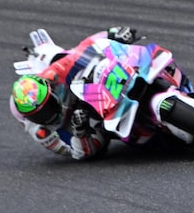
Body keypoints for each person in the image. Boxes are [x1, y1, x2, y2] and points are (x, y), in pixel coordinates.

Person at [9, 27, 141, 160]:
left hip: (71, 87)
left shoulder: (53, 76)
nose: (46, 116)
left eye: (48, 107)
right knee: (98, 143)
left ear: (51, 91)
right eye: (37, 116)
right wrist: (80, 131)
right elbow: (76, 152)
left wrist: (113, 34)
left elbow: (83, 49)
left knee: (82, 63)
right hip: (71, 120)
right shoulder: (42, 132)